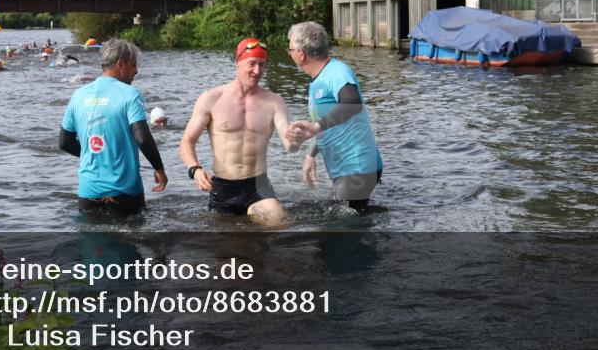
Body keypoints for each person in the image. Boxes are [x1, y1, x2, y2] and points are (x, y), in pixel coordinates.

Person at [179, 38, 295, 225]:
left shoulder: (274, 102)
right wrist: (195, 169)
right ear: (238, 64)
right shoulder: (212, 98)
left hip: (258, 186)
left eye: (262, 65)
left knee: (278, 222)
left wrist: (305, 133)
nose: (257, 71)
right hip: (223, 187)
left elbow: (289, 142)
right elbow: (187, 142)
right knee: (227, 246)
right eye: (252, 64)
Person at [59, 38, 167, 217]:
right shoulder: (129, 94)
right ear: (120, 64)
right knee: (129, 241)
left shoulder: (78, 95)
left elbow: (64, 142)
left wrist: (95, 154)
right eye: (134, 64)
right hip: (124, 193)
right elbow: (142, 138)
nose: (136, 71)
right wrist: (159, 169)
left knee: (91, 242)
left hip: (88, 193)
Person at [285, 22, 383, 210]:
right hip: (349, 169)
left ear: (301, 53)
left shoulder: (337, 72)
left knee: (339, 229)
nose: (290, 54)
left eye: (290, 49)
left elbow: (352, 103)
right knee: (340, 214)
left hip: (357, 168)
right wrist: (311, 154)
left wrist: (315, 127)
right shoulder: (319, 80)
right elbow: (330, 125)